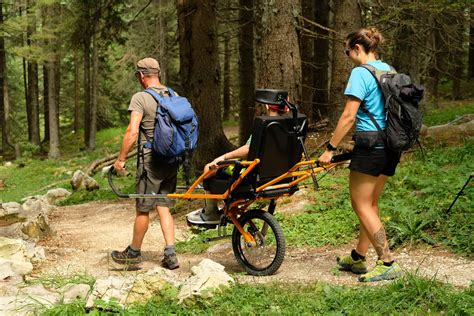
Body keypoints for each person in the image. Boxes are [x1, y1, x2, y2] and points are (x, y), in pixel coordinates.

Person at [318, 27, 402, 282]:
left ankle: (386, 261)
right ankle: (358, 257)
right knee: (371, 204)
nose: (348, 56)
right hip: (391, 145)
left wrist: (330, 149)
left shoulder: (360, 73)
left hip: (371, 146)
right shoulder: (389, 69)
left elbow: (348, 116)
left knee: (361, 204)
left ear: (357, 48)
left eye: (347, 51)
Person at [111, 57, 179, 270]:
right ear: (158, 73)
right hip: (172, 158)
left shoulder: (140, 98)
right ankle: (170, 253)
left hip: (151, 161)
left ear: (141, 76)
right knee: (163, 205)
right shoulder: (173, 95)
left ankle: (133, 253)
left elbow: (132, 131)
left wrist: (121, 159)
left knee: (143, 209)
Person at [186, 103, 289, 226]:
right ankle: (227, 208)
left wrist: (224, 156)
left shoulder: (264, 125)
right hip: (281, 175)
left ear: (267, 106)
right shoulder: (292, 126)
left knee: (208, 168)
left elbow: (248, 149)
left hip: (255, 177)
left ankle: (211, 212)